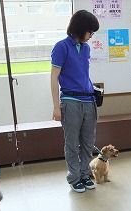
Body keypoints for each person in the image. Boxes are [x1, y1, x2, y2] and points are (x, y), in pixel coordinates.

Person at [51, 10, 100, 193]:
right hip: (70, 101)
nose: (91, 36)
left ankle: (85, 174)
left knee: (88, 142)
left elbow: (83, 74)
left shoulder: (86, 48)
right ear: (81, 28)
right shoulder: (61, 47)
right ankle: (74, 177)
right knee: (72, 143)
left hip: (89, 101)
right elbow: (53, 78)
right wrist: (56, 106)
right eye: (90, 32)